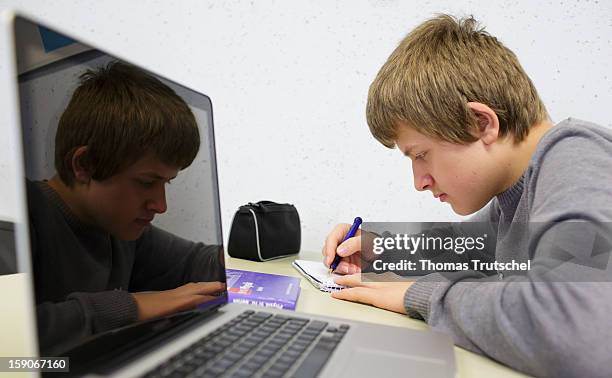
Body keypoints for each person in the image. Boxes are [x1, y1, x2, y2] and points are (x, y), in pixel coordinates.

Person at [322, 14, 612, 377]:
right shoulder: (513, 199)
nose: (420, 181)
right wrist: (380, 249)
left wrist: (421, 296)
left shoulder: (579, 158)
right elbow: (466, 249)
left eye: (421, 154)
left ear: (481, 123)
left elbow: (577, 329)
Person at [28, 61, 225, 355]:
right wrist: (131, 307)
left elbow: (197, 262)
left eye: (166, 183)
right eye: (147, 182)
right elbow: (10, 352)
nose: (161, 205)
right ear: (84, 165)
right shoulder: (19, 217)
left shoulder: (118, 228)